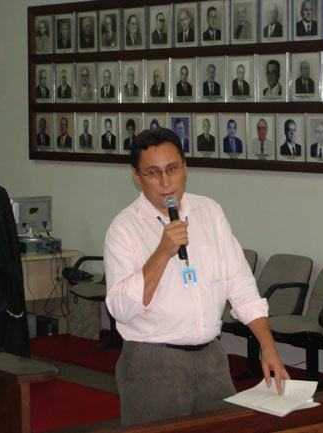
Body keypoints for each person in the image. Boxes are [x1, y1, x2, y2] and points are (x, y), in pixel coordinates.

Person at [104, 127, 289, 425]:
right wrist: (162, 252)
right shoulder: (124, 228)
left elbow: (241, 284)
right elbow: (121, 310)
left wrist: (268, 348)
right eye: (153, 173)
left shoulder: (209, 212)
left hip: (211, 359)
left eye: (172, 169)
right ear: (137, 177)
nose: (166, 182)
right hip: (152, 363)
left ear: (185, 168)